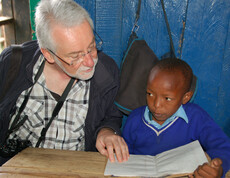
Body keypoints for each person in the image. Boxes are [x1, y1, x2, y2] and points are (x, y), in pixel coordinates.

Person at [0, 0, 129, 165]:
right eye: (75, 56)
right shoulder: (12, 62)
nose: (90, 62)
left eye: (92, 47)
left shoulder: (106, 72)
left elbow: (111, 117)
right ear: (48, 55)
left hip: (74, 170)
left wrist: (107, 132)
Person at [122, 57, 230, 177]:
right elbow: (124, 157)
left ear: (186, 97)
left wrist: (219, 169)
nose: (156, 105)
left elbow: (223, 147)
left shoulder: (196, 117)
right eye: (150, 94)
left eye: (167, 98)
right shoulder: (135, 119)